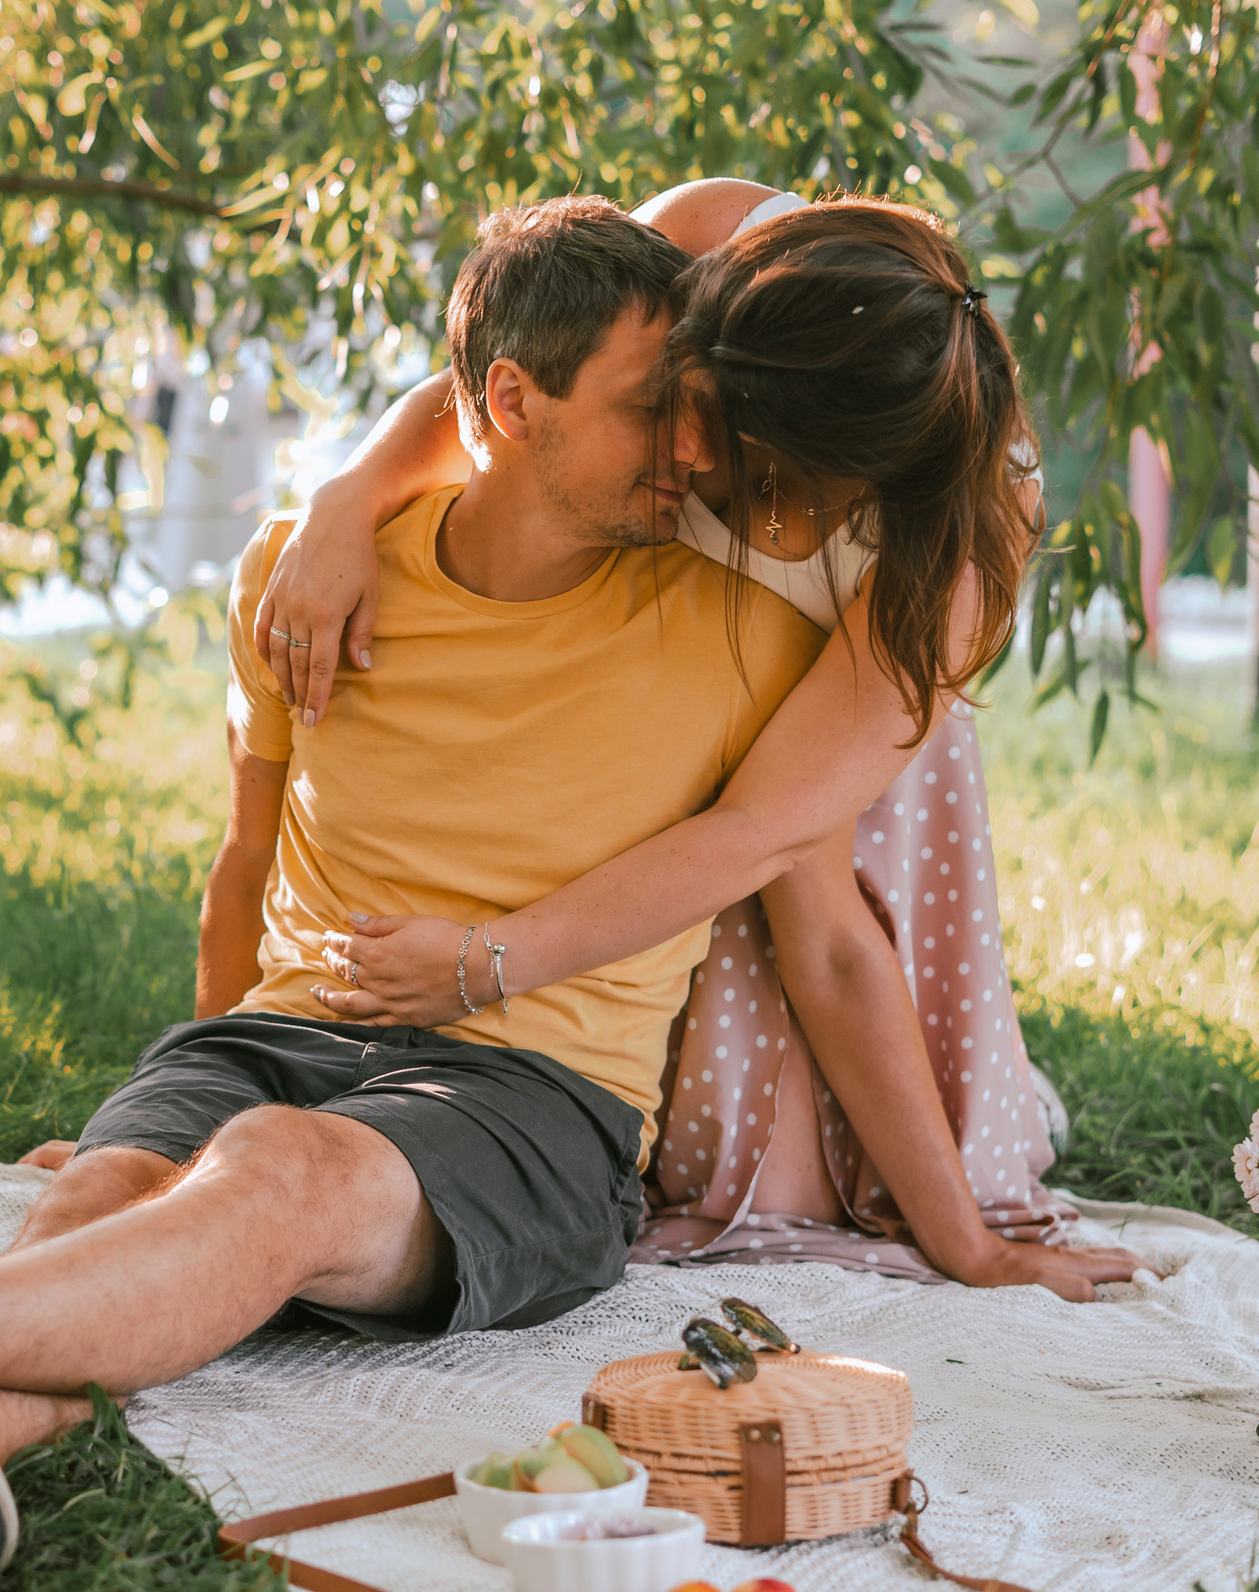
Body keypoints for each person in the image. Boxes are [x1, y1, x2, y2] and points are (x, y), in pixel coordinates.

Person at [0, 196, 846, 1577]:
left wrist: (970, 1229)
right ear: (511, 398)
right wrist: (177, 1086)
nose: (694, 445)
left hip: (531, 1103)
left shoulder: (754, 626)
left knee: (270, 1169)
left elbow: (834, 879)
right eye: (649, 406)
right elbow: (244, 857)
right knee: (113, 1194)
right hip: (277, 1030)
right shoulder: (313, 578)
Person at [260, 182, 1110, 1287]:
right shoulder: (712, 233)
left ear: (830, 475)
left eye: (736, 447)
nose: (692, 454)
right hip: (643, 686)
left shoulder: (953, 554)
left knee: (796, 987)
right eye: (674, 403)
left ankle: (861, 1170)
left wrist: (970, 1248)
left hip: (824, 745)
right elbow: (520, 368)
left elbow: (780, 856)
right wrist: (347, 501)